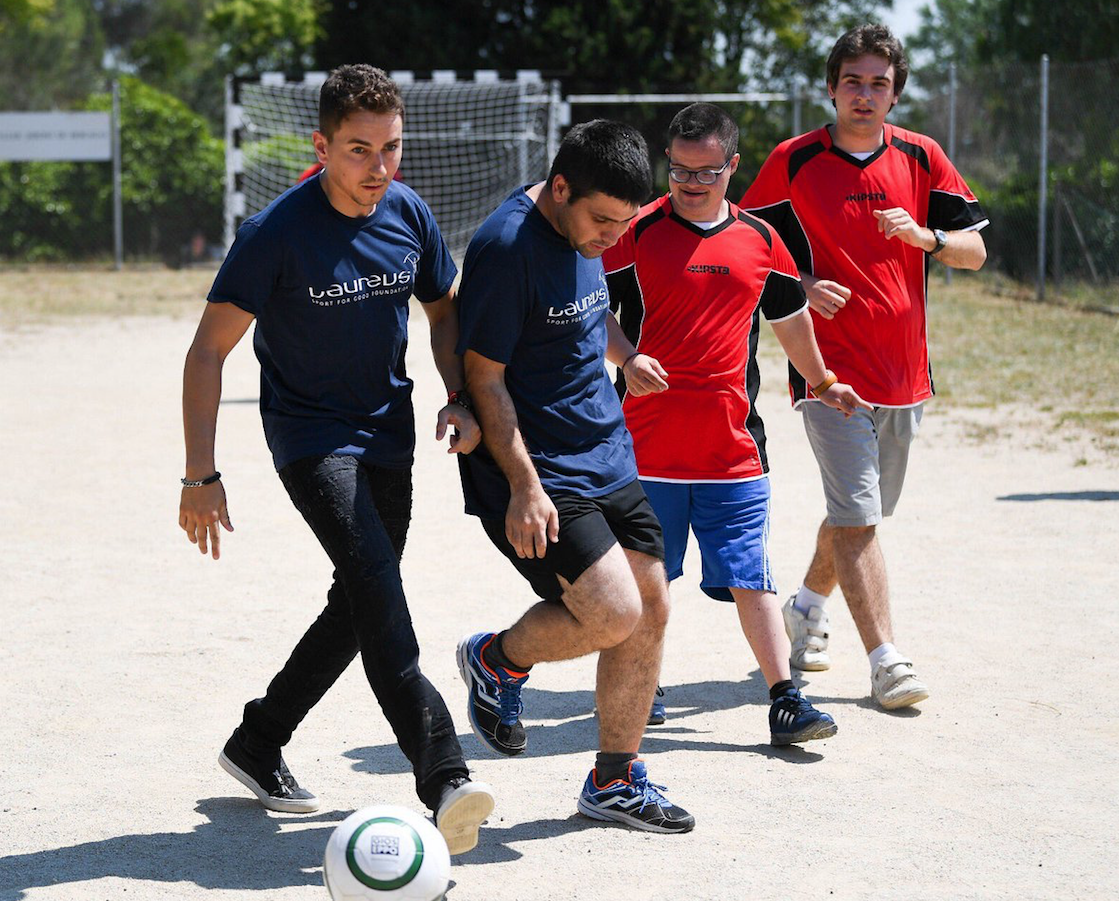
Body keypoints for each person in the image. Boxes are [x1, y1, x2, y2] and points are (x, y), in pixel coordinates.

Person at [178, 64, 494, 855]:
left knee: (358, 604)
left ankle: (259, 739)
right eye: (359, 151)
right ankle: (445, 776)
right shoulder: (275, 234)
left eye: (391, 149)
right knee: (380, 596)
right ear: (320, 146)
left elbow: (443, 308)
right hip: (311, 441)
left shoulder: (408, 212)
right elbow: (208, 351)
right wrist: (199, 473)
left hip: (388, 436)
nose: (378, 169)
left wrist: (457, 396)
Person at [453, 120, 694, 834]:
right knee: (613, 612)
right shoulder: (505, 249)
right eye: (600, 221)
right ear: (559, 189)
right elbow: (485, 380)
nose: (610, 238)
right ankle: (497, 659)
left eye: (624, 224)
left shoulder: (590, 228)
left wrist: (625, 356)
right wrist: (523, 485)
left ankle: (614, 780)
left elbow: (592, 318)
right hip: (537, 463)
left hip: (604, 447)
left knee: (650, 605)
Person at [740, 24, 988, 709]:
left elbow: (973, 251)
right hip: (828, 374)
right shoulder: (793, 160)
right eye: (852, 80)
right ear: (831, 88)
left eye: (878, 82)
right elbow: (747, 249)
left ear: (894, 92)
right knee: (857, 516)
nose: (864, 93)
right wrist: (803, 282)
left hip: (904, 374)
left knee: (859, 514)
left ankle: (806, 608)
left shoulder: (920, 155)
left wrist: (926, 236)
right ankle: (885, 660)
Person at [603, 102, 867, 744]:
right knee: (647, 579)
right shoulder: (633, 233)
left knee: (752, 576)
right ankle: (646, 683)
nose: (691, 183)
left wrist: (824, 380)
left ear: (732, 166)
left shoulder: (761, 239)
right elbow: (590, 313)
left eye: (706, 172)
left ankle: (785, 700)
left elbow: (790, 321)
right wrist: (628, 357)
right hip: (646, 449)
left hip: (733, 450)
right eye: (680, 170)